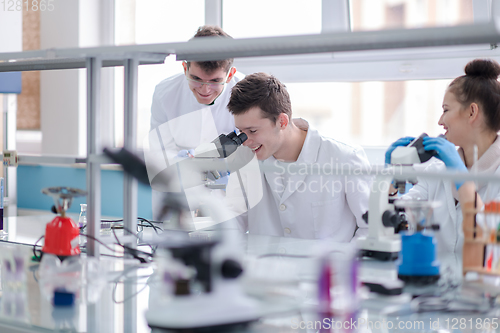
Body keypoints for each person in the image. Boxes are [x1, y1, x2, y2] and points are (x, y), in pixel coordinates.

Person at [224, 72, 370, 241]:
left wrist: (342, 263)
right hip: (264, 266)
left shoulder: (344, 157)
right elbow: (232, 222)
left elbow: (371, 228)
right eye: (241, 132)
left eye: (253, 131)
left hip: (328, 266)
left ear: (282, 122)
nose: (245, 141)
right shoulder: (245, 159)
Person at [386, 58, 500, 254]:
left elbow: (490, 238)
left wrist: (461, 178)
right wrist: (391, 178)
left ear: (472, 112)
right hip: (437, 281)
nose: (440, 121)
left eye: (446, 110)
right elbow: (395, 222)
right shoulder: (437, 170)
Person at [148, 25, 243, 220]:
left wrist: (224, 165)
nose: (205, 89)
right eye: (196, 78)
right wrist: (186, 162)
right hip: (178, 198)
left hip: (230, 203)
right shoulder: (165, 94)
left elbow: (252, 152)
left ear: (230, 74)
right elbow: (158, 153)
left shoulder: (245, 95)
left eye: (215, 81)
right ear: (185, 68)